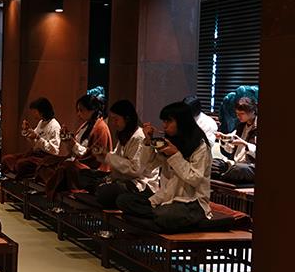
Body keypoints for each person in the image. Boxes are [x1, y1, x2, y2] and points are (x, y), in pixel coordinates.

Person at [116, 102, 213, 231]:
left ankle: (157, 215)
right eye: (164, 121)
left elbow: (194, 178)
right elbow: (149, 165)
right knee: (123, 200)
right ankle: (156, 215)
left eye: (169, 121)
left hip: (193, 202)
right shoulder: (171, 141)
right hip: (166, 198)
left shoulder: (200, 146)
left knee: (166, 215)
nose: (164, 125)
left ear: (182, 122)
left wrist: (175, 154)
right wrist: (148, 141)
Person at [92, 100, 158, 208]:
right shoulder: (124, 134)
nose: (113, 123)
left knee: (105, 193)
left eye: (116, 119)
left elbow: (135, 169)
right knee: (86, 176)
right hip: (123, 179)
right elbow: (117, 157)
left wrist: (107, 156)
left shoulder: (139, 137)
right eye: (112, 119)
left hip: (140, 183)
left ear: (127, 119)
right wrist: (102, 155)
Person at [1, 97, 61, 177]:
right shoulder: (41, 122)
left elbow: (54, 151)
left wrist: (38, 138)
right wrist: (27, 130)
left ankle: (15, 175)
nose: (34, 114)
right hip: (34, 153)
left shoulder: (54, 126)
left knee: (21, 164)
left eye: (35, 112)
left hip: (45, 157)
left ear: (42, 112)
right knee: (6, 159)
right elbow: (33, 139)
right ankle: (12, 175)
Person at [59, 94, 112, 170]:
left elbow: (94, 157)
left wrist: (73, 144)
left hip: (92, 170)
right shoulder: (85, 125)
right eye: (78, 110)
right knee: (52, 160)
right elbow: (74, 150)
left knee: (66, 166)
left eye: (81, 110)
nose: (78, 114)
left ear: (92, 110)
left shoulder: (101, 128)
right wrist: (67, 139)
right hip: (79, 164)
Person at [213, 97, 257, 184]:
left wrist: (244, 144)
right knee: (213, 164)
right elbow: (229, 149)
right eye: (237, 114)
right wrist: (223, 138)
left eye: (242, 113)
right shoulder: (240, 126)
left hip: (251, 167)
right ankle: (226, 175)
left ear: (252, 111)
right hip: (235, 164)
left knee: (240, 169)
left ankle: (224, 176)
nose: (238, 116)